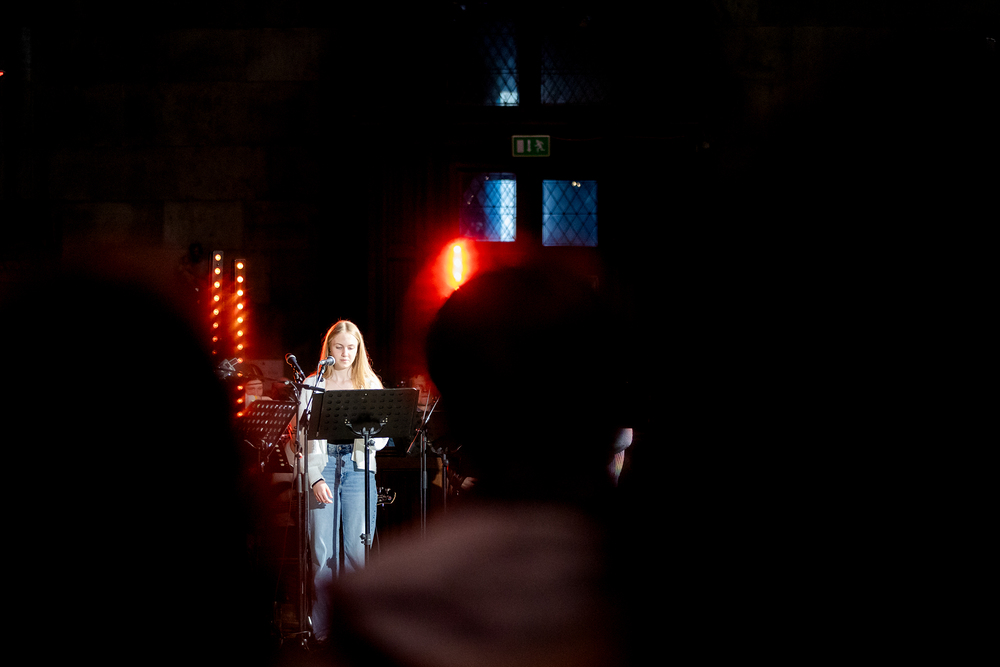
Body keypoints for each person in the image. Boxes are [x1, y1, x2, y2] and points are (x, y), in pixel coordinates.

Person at [297, 319, 388, 646]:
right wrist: (315, 477)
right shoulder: (313, 385)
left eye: (351, 347)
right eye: (339, 347)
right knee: (323, 554)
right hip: (324, 467)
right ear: (329, 348)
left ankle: (353, 634)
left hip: (357, 467)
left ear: (359, 349)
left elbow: (382, 438)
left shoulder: (370, 383)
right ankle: (323, 633)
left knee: (355, 552)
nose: (346, 353)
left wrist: (372, 433)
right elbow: (303, 437)